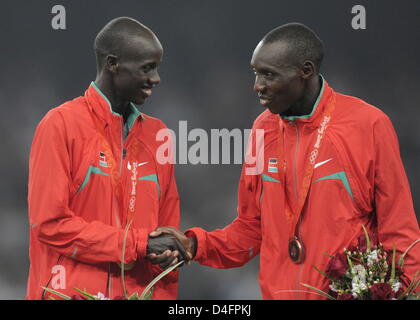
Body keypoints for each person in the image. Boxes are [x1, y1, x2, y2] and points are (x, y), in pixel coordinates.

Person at [150, 23, 420, 299]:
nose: (257, 86)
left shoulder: (368, 125)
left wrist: (412, 291)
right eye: (256, 73)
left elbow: (399, 231)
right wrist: (195, 245)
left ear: (305, 71)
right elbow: (250, 229)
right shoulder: (262, 130)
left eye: (269, 75)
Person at [26, 17, 187, 300]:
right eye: (147, 68)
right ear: (113, 63)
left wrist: (169, 253)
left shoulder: (157, 135)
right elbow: (49, 224)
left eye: (157, 68)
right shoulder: (60, 125)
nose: (156, 79)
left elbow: (166, 234)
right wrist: (139, 244)